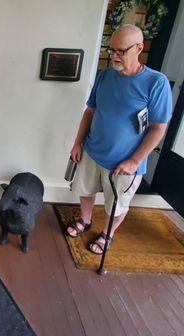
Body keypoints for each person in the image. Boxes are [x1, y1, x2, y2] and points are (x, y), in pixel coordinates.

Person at [66, 24, 172, 255]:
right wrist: (77, 143)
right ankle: (85, 220)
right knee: (86, 190)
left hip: (125, 163)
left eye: (120, 51)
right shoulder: (105, 75)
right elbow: (90, 112)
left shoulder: (156, 82)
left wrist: (135, 161)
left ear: (139, 48)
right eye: (111, 49)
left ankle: (108, 234)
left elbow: (157, 127)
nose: (114, 55)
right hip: (92, 151)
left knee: (117, 203)